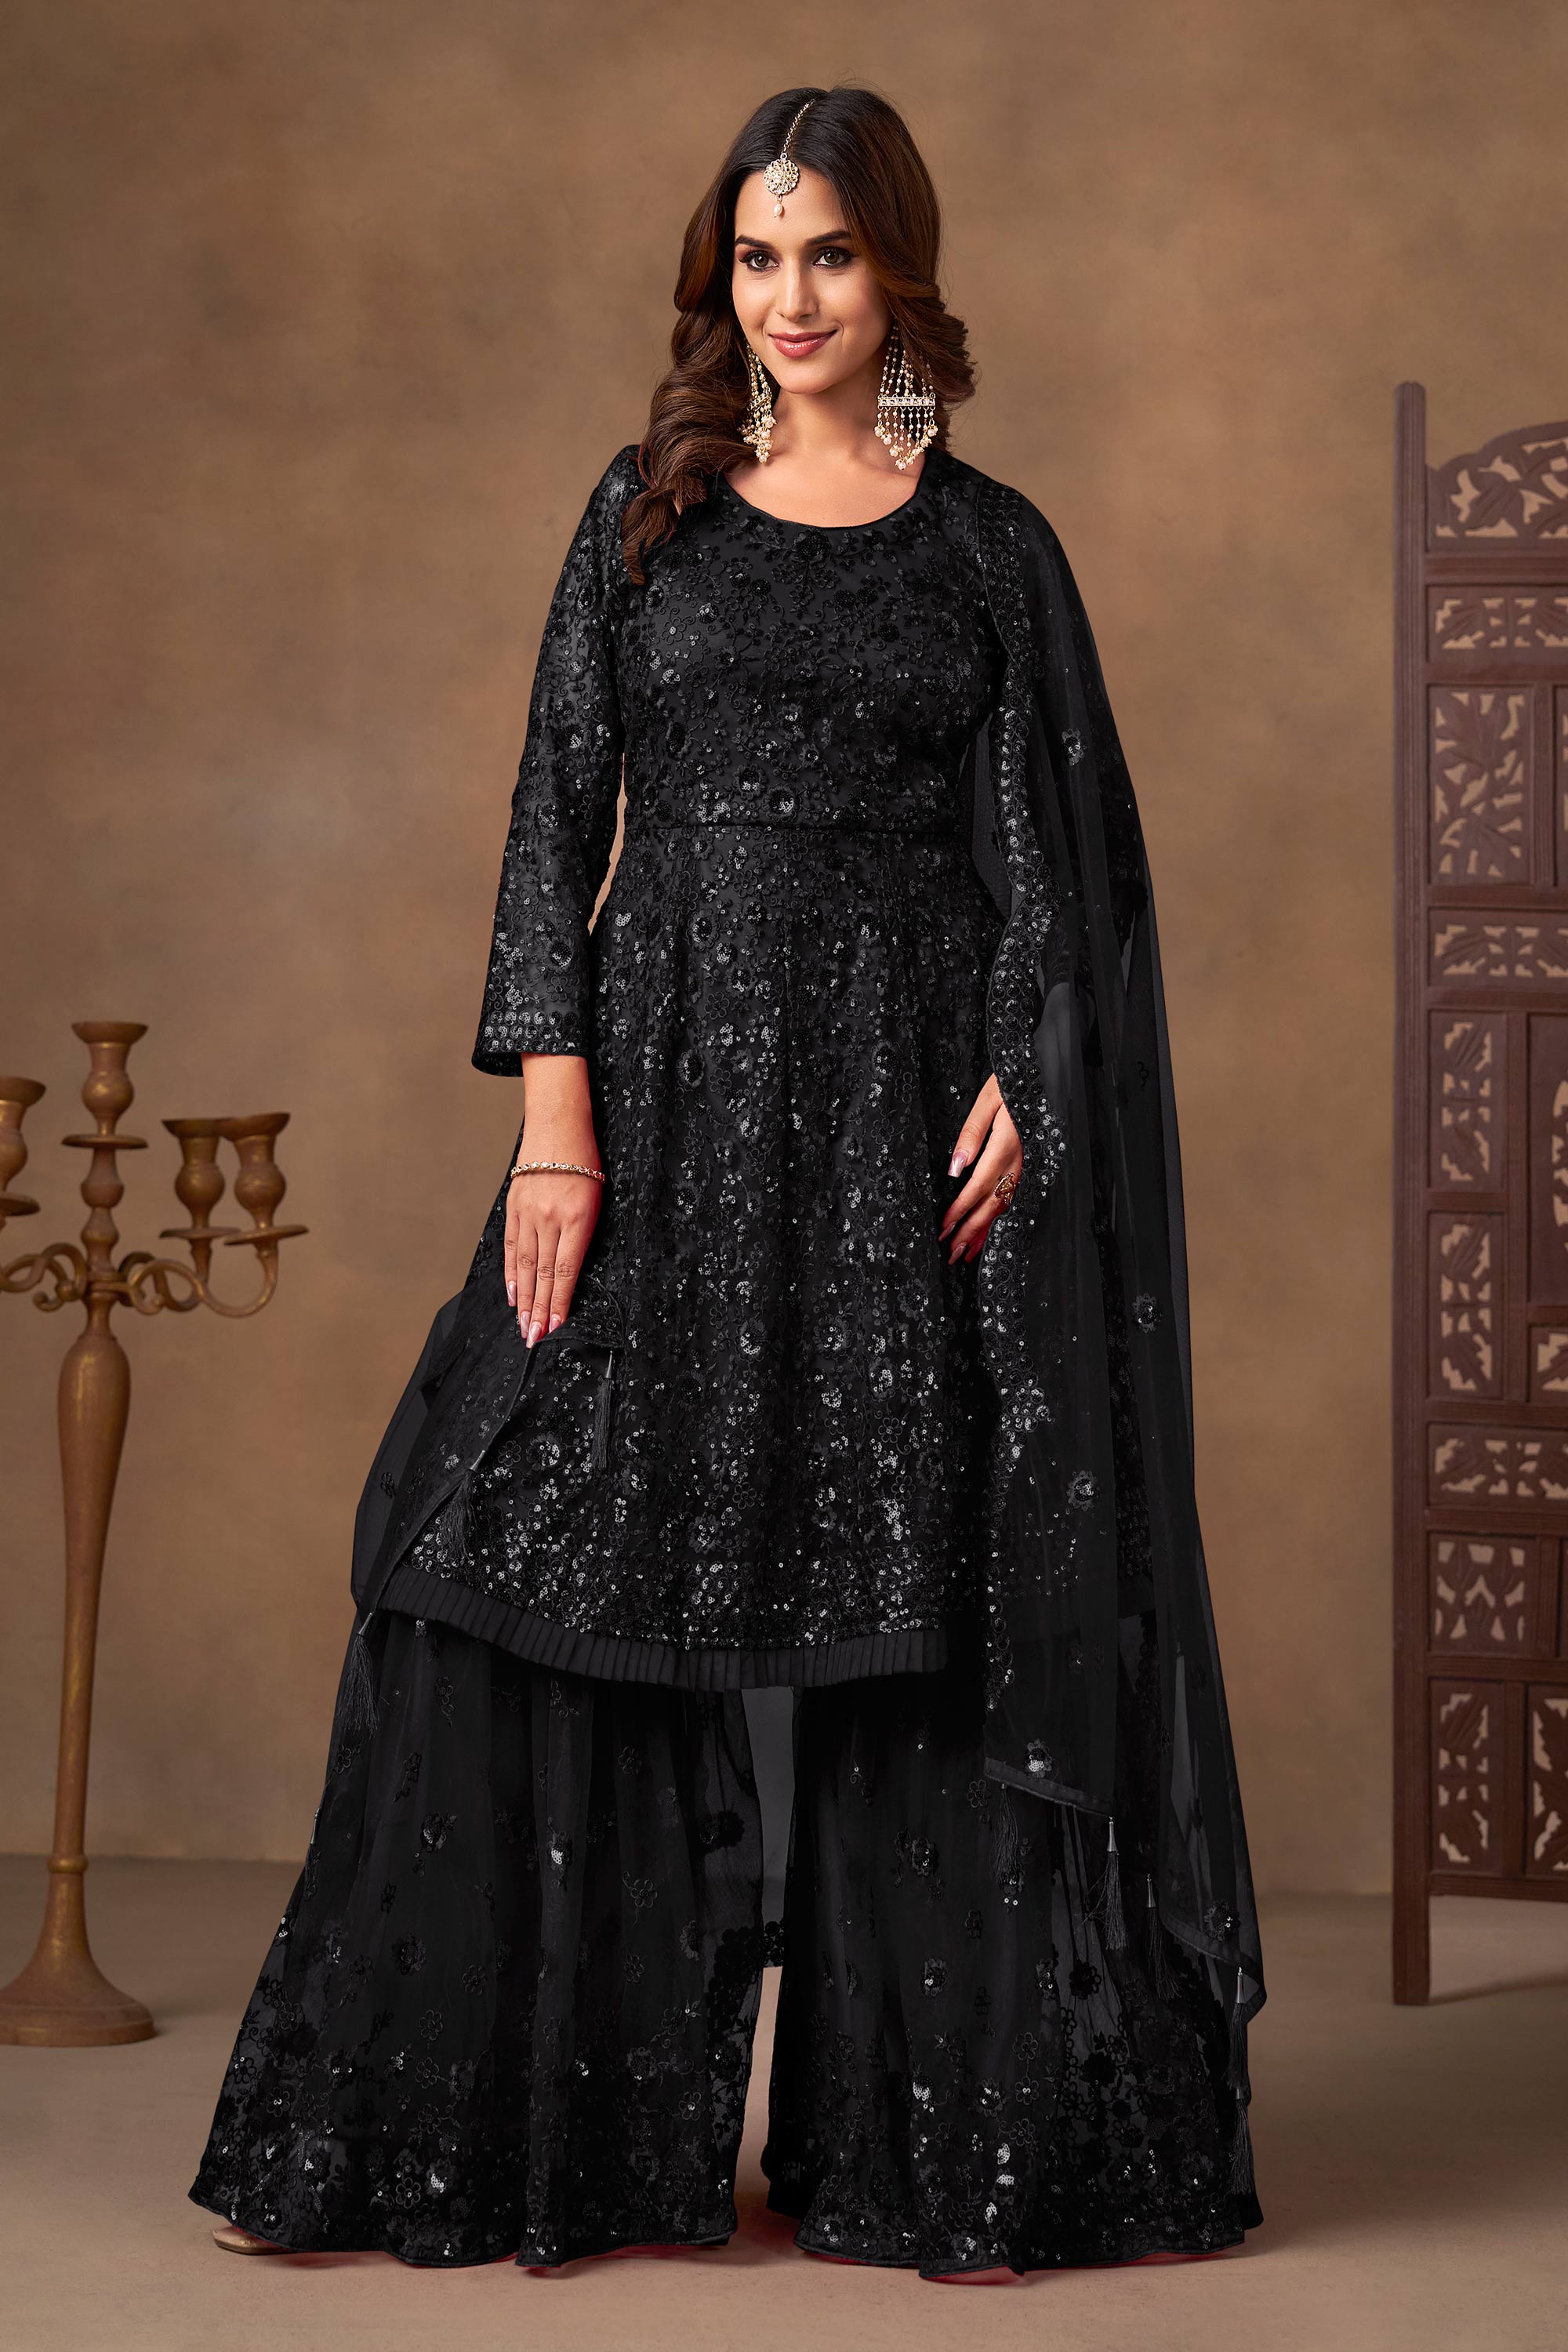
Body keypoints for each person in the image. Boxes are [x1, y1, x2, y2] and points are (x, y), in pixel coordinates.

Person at [191, 82, 1265, 2282]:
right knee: (494, 1538)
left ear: (902, 273)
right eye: (758, 259)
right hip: (666, 1107)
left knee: (924, 1603)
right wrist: (555, 1128)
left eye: (831, 255)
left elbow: (1066, 870)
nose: (791, 300)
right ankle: (541, 2135)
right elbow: (551, 820)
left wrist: (1033, 1072)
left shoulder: (992, 551)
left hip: (900, 1142)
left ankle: (946, 2148)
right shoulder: (648, 512)